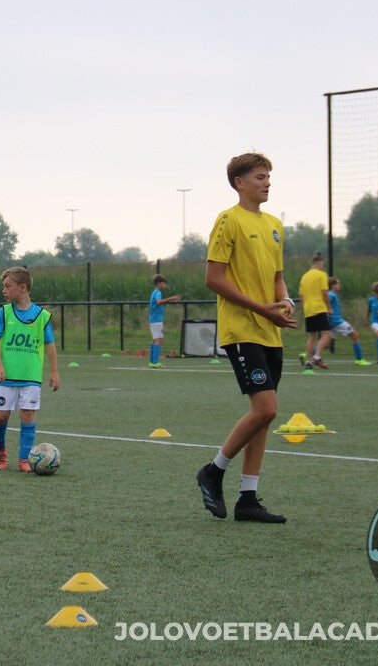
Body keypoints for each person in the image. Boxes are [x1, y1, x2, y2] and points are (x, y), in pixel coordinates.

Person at [195, 153, 297, 524]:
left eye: (268, 176)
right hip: (242, 329)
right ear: (239, 182)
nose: (267, 182)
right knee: (266, 410)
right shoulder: (229, 220)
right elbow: (213, 279)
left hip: (270, 331)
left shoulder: (274, 225)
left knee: (262, 417)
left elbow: (277, 277)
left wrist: (284, 300)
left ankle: (248, 499)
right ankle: (213, 470)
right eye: (259, 177)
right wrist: (261, 308)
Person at [0, 266, 61, 471]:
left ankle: (24, 459)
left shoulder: (42, 316)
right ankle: (0, 451)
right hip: (7, 375)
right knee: (1, 417)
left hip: (31, 376)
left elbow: (50, 344)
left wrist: (54, 371)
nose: (4, 291)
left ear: (22, 287)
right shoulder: (4, 313)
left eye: (7, 286)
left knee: (27, 414)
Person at [297, 254, 332, 370]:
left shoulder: (304, 276)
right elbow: (325, 293)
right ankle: (317, 357)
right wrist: (329, 308)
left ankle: (308, 361)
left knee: (312, 336)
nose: (322, 266)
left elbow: (301, 296)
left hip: (308, 310)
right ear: (319, 263)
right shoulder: (321, 275)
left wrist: (305, 308)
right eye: (322, 264)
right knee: (327, 335)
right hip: (319, 308)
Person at [327, 277, 370, 365]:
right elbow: (325, 302)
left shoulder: (332, 294)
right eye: (337, 284)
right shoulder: (331, 295)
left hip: (332, 322)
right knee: (355, 335)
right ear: (332, 285)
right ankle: (359, 359)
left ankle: (306, 354)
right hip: (337, 321)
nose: (339, 285)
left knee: (326, 344)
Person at [148, 274, 182, 368]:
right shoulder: (158, 292)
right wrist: (172, 298)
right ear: (158, 283)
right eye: (163, 283)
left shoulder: (154, 292)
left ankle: (152, 361)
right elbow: (159, 302)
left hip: (153, 319)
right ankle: (155, 362)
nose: (164, 286)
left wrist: (168, 300)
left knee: (155, 339)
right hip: (157, 320)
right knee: (158, 339)